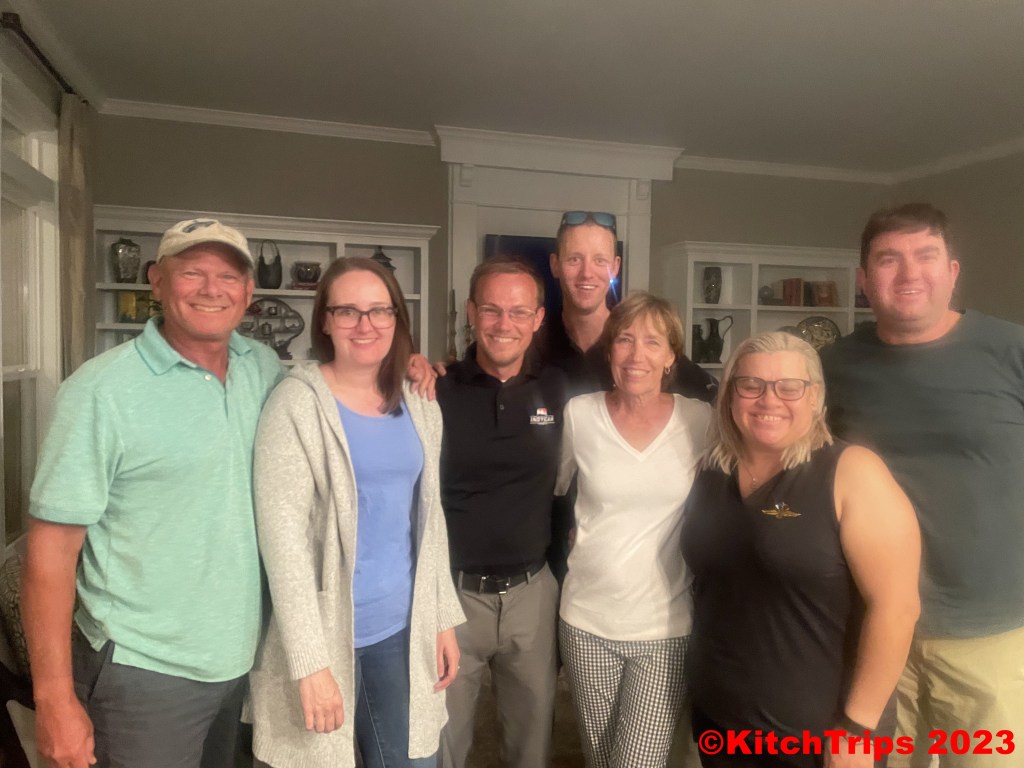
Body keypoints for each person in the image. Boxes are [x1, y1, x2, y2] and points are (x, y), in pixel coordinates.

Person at [23, 218, 283, 768]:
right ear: (157, 282)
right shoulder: (100, 391)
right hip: (140, 671)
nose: (211, 289)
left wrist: (412, 366)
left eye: (228, 276)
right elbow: (50, 551)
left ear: (248, 292)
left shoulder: (262, 368)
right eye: (192, 273)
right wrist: (54, 699)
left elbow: (339, 393)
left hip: (237, 660)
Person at [820, 203, 1024, 768]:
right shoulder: (833, 367)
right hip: (873, 634)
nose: (909, 273)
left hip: (991, 636)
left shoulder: (1012, 351)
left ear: (952, 271)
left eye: (926, 256)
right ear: (863, 280)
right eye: (889, 259)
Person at [248, 257, 464, 768]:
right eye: (347, 311)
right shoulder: (295, 405)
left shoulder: (419, 401)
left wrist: (441, 619)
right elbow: (282, 541)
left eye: (379, 310)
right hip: (326, 634)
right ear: (325, 321)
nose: (365, 325)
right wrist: (309, 663)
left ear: (396, 319)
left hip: (402, 630)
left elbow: (429, 520)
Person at [683, 331, 921, 768]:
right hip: (720, 723)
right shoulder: (711, 469)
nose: (768, 400)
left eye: (789, 387)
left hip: (818, 740)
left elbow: (897, 607)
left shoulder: (852, 473)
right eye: (751, 385)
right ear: (731, 394)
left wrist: (858, 727)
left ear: (815, 397)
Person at [556, 291, 712, 768]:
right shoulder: (579, 414)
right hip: (584, 620)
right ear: (609, 351)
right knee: (600, 758)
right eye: (624, 340)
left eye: (652, 342)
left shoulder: (700, 419)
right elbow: (553, 490)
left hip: (664, 628)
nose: (636, 354)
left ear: (671, 357)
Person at [435, 257, 568, 768]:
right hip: (452, 598)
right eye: (491, 309)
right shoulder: (436, 390)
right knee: (443, 745)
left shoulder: (559, 390)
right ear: (472, 313)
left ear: (538, 318)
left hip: (532, 595)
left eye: (518, 311)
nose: (503, 324)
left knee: (530, 749)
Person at [539, 210, 718, 402]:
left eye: (600, 260)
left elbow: (719, 401)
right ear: (555, 264)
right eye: (574, 259)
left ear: (615, 267)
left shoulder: (644, 349)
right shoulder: (534, 343)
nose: (587, 273)